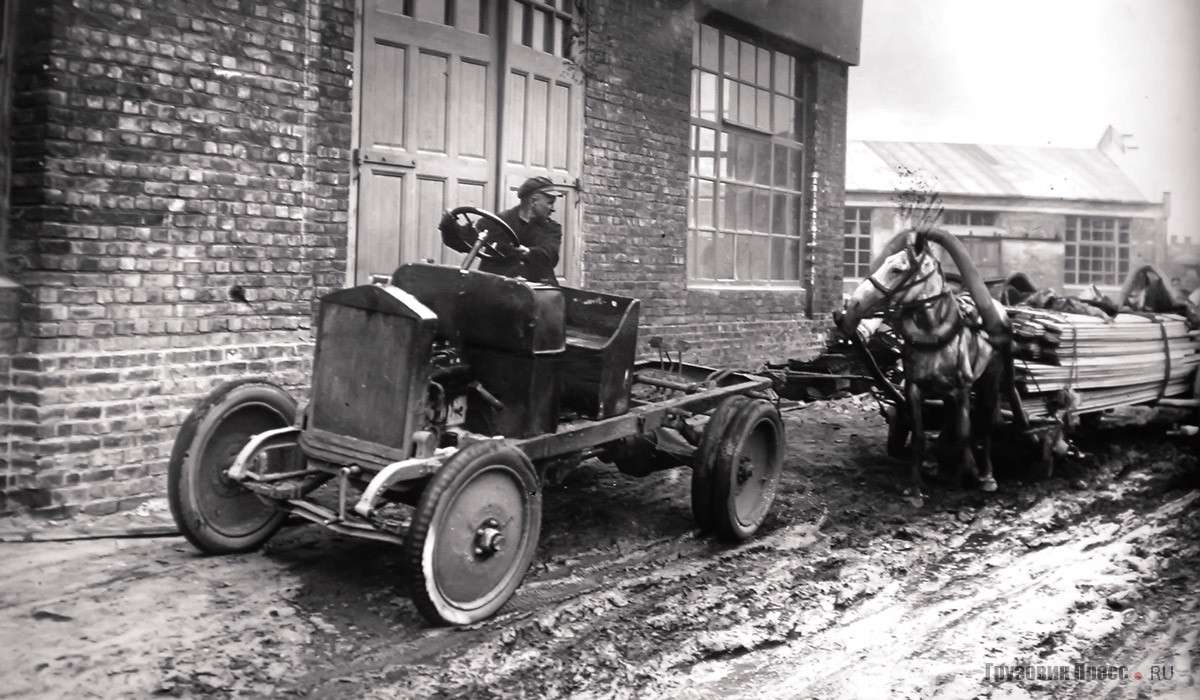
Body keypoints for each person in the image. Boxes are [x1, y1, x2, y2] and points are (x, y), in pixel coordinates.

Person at [438, 176, 565, 286]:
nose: (553, 209)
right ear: (533, 200)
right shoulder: (496, 222)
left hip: (537, 292)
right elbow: (463, 242)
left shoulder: (552, 228)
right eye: (550, 203)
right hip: (497, 290)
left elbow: (550, 255)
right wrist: (448, 226)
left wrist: (528, 252)